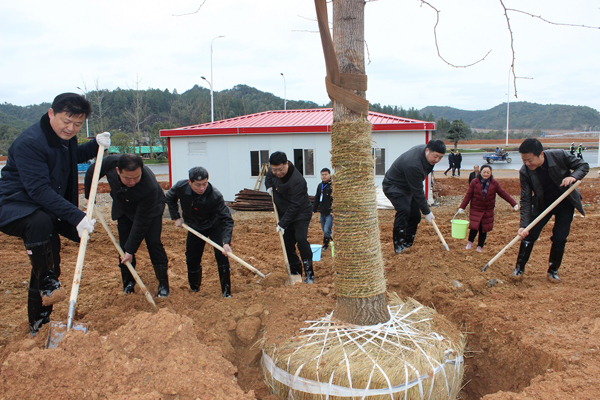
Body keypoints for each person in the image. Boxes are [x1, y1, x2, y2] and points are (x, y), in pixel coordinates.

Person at [0, 93, 110, 336]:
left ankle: (39, 325)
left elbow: (71, 158)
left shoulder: (64, 138)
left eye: (77, 124)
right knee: (40, 225)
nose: (71, 129)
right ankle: (48, 283)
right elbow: (38, 189)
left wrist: (95, 145)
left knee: (50, 261)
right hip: (15, 204)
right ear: (51, 114)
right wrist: (76, 216)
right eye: (66, 121)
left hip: (46, 210)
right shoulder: (30, 142)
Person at [84, 154, 170, 296]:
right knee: (123, 246)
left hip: (150, 210)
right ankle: (128, 283)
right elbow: (92, 171)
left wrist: (131, 250)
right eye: (127, 178)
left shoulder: (150, 187)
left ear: (141, 170)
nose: (132, 182)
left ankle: (163, 284)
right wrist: (89, 195)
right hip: (124, 207)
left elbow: (142, 221)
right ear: (118, 171)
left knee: (153, 242)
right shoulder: (110, 163)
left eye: (136, 177)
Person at [512, 138, 589, 282]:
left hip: (565, 203)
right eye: (524, 161)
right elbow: (526, 199)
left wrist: (572, 177)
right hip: (542, 205)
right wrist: (524, 225)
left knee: (560, 238)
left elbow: (583, 166)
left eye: (530, 160)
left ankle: (553, 270)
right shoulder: (525, 172)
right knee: (528, 235)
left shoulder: (559, 155)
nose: (527, 164)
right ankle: (519, 269)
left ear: (540, 154)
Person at [165, 166, 234, 297]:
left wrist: (226, 242)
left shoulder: (215, 195)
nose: (201, 188)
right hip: (194, 226)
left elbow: (227, 219)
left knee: (222, 256)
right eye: (197, 185)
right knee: (192, 257)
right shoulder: (180, 187)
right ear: (189, 182)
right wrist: (176, 216)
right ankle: (194, 288)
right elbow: (169, 197)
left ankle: (226, 291)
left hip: (214, 225)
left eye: (204, 184)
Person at [383, 139, 446, 253]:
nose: (437, 160)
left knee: (416, 215)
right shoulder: (414, 164)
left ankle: (408, 243)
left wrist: (423, 211)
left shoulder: (427, 157)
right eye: (435, 156)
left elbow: (416, 188)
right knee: (404, 210)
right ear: (427, 150)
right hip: (393, 185)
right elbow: (417, 191)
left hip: (407, 186)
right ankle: (399, 245)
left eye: (440, 157)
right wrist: (427, 212)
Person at [265, 151, 314, 283]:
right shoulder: (272, 170)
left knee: (301, 239)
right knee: (287, 243)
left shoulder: (297, 181)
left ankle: (309, 274)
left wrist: (282, 223)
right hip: (284, 211)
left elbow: (294, 206)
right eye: (275, 170)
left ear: (287, 164)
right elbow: (268, 176)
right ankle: (295, 271)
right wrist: (268, 186)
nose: (278, 173)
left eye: (280, 170)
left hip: (300, 213)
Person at [458, 164, 518, 252]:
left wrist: (514, 203)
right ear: (480, 172)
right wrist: (462, 207)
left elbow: (503, 193)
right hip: (476, 208)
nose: (486, 174)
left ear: (490, 173)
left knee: (483, 229)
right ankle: (470, 243)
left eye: (488, 172)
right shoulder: (475, 182)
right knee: (474, 227)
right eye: (484, 172)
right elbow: (468, 195)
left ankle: (480, 246)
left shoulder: (494, 183)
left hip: (487, 210)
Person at [312, 167, 333, 250]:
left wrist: (333, 211)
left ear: (329, 175)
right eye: (322, 175)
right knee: (324, 230)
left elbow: (335, 199)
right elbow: (317, 198)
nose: (324, 176)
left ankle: (325, 245)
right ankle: (332, 239)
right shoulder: (320, 186)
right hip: (322, 212)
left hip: (330, 213)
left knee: (327, 229)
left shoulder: (332, 185)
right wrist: (313, 210)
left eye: (326, 174)